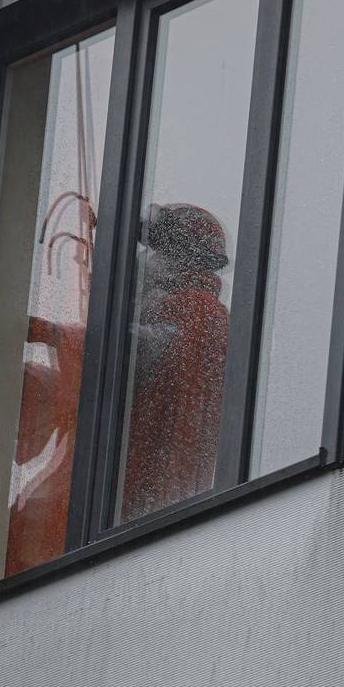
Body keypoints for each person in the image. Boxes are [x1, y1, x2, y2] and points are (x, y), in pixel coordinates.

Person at [120, 203, 230, 521]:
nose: (146, 260)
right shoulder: (212, 314)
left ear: (176, 258)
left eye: (155, 252)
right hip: (171, 491)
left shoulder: (187, 308)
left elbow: (129, 351)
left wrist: (61, 333)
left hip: (139, 486)